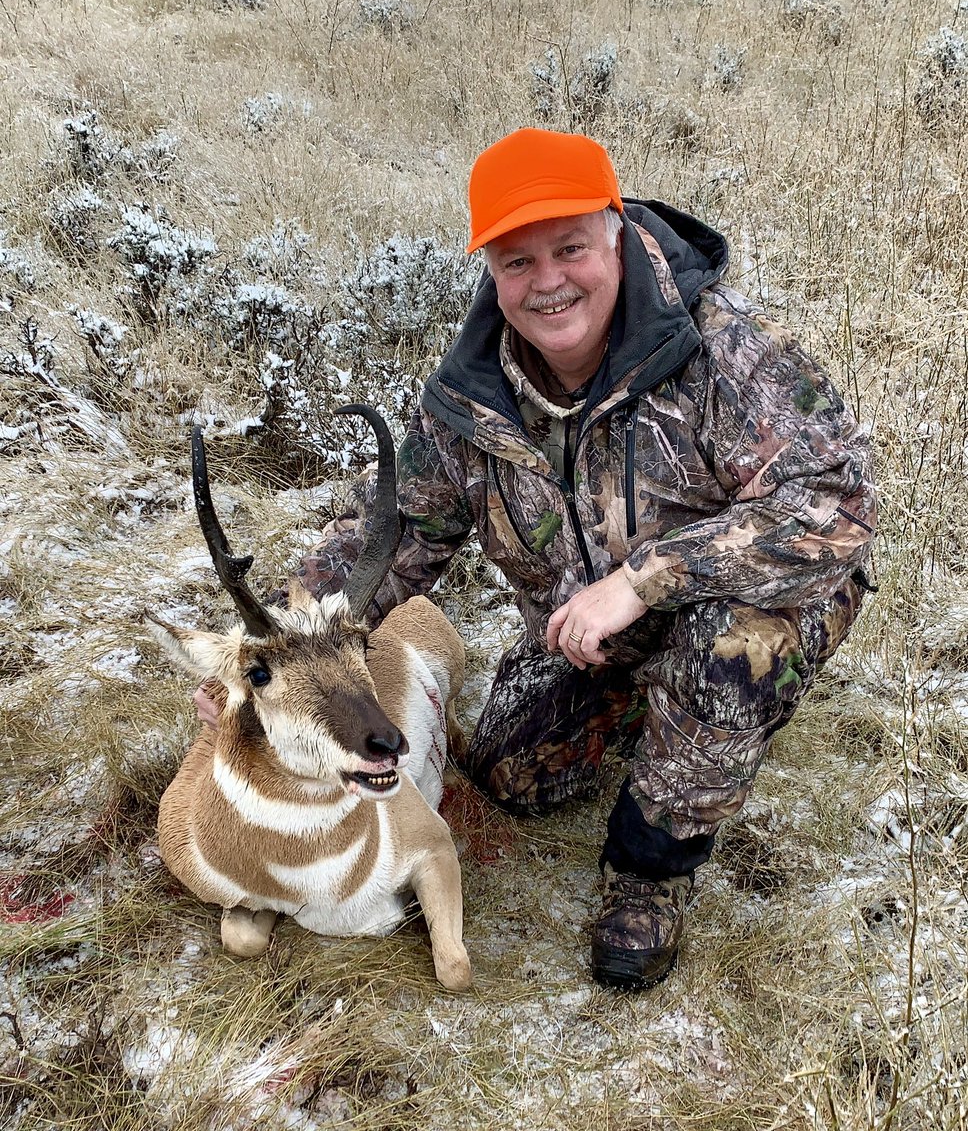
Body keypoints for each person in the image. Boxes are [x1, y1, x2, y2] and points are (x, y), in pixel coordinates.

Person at [204, 128, 876, 989]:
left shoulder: (727, 351)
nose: (548, 281)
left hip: (750, 599)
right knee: (512, 775)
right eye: (517, 262)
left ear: (618, 234)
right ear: (490, 270)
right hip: (588, 628)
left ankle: (651, 870)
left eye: (569, 248)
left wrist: (644, 581)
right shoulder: (470, 396)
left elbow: (836, 504)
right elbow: (395, 535)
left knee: (729, 662)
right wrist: (263, 650)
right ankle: (656, 705)